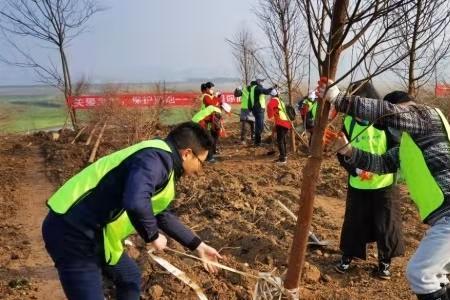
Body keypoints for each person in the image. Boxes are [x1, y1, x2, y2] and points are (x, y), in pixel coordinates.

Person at [42, 122, 223, 300]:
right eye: (201, 162)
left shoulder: (163, 163)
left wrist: (198, 246)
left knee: (129, 277)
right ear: (187, 154)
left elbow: (161, 214)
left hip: (98, 233)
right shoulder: (155, 159)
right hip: (71, 231)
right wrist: (152, 236)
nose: (200, 169)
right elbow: (135, 201)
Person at [320, 80, 450, 300]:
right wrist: (349, 151)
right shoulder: (406, 146)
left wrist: (339, 99)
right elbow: (381, 163)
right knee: (438, 275)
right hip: (443, 217)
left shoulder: (426, 116)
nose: (391, 129)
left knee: (421, 274)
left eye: (391, 122)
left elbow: (387, 112)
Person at [333, 81, 404, 280]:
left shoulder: (386, 123)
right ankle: (347, 257)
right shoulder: (349, 123)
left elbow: (397, 151)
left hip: (384, 184)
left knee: (386, 223)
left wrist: (380, 168)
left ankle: (384, 263)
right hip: (358, 184)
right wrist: (354, 169)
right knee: (354, 222)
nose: (357, 112)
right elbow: (341, 151)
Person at [266, 89, 292, 164]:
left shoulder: (275, 100)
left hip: (281, 122)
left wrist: (270, 115)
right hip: (286, 122)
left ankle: (282, 159)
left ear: (272, 95)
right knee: (282, 140)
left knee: (280, 141)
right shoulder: (281, 101)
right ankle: (284, 156)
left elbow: (269, 105)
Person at [249, 78, 276, 146]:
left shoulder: (253, 88)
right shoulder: (258, 88)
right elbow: (266, 91)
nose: (263, 82)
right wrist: (273, 88)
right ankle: (258, 142)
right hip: (259, 109)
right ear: (258, 81)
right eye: (262, 81)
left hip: (256, 109)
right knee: (260, 127)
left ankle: (257, 142)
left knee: (258, 126)